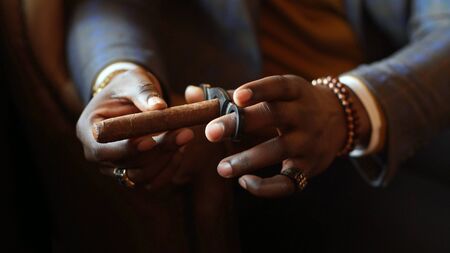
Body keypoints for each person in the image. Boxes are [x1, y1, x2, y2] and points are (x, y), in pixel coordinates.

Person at [68, 0, 450, 252]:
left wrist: (348, 106)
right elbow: (106, 9)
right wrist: (117, 72)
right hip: (260, 167)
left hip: (404, 106)